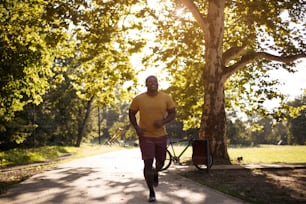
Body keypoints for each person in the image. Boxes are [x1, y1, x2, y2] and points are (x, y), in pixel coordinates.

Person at [129, 75, 176, 202]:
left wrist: (163, 122)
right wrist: (137, 128)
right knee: (147, 163)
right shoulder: (139, 99)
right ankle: (151, 191)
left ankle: (156, 172)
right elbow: (131, 113)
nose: (152, 83)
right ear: (146, 84)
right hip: (145, 136)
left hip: (161, 135)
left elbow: (173, 112)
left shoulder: (166, 98)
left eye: (154, 81)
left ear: (158, 83)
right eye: (149, 82)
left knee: (161, 162)